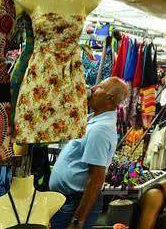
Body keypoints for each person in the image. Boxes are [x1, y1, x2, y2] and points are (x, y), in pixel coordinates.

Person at [49, 76, 130, 229]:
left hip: (75, 203)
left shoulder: (101, 130)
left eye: (99, 87)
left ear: (109, 97)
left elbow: (96, 178)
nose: (93, 89)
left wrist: (77, 220)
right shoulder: (94, 120)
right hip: (68, 200)